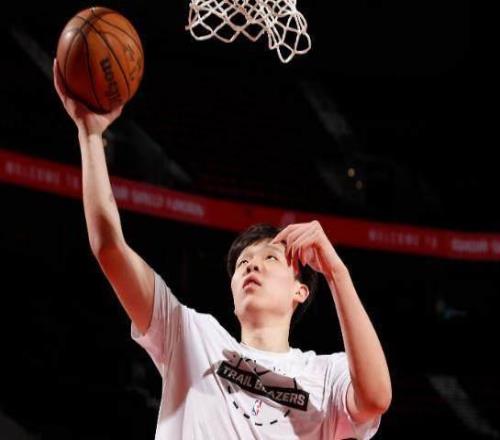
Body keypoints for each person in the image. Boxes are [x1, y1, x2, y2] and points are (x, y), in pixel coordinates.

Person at [53, 59, 392, 439]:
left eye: (270, 258)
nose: (251, 266)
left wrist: (337, 273)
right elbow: (110, 249)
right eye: (243, 263)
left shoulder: (325, 374)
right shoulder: (190, 335)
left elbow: (376, 398)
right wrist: (89, 134)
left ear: (300, 291)